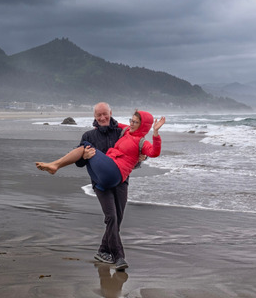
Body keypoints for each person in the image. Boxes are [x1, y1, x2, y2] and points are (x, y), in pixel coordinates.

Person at [36, 103, 165, 270]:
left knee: (117, 219)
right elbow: (80, 162)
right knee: (111, 217)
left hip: (121, 181)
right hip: (100, 182)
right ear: (94, 117)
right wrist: (85, 156)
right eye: (98, 116)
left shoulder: (122, 131)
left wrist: (143, 157)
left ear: (111, 113)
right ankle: (119, 257)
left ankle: (102, 250)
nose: (102, 118)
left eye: (105, 114)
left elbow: (139, 151)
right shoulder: (89, 135)